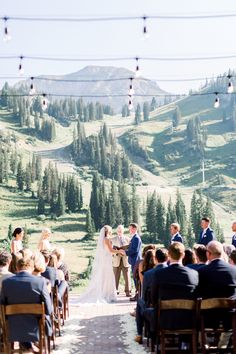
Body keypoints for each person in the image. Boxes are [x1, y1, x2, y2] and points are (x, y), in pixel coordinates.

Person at [1, 255, 52, 352]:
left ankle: (24, 346)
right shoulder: (40, 282)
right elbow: (49, 309)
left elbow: (1, 305)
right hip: (35, 328)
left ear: (16, 267)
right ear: (32, 268)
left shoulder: (6, 283)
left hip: (12, 327)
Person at [78, 225, 124, 303]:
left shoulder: (105, 239)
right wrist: (119, 251)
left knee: (106, 276)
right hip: (106, 259)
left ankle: (106, 293)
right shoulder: (106, 239)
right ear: (107, 231)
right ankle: (106, 294)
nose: (111, 231)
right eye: (110, 230)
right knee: (107, 276)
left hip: (106, 258)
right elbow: (110, 250)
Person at [135, 248, 168, 344]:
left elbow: (145, 295)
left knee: (140, 302)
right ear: (167, 259)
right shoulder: (174, 272)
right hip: (175, 310)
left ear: (156, 259)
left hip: (155, 309)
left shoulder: (148, 274)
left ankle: (139, 334)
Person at [111, 225, 131, 297]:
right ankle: (115, 291)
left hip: (125, 260)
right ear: (116, 231)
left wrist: (124, 251)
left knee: (127, 277)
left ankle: (128, 291)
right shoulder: (112, 239)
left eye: (121, 230)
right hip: (116, 260)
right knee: (115, 276)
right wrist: (116, 251)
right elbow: (110, 251)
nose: (119, 232)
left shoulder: (128, 239)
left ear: (123, 231)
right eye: (118, 230)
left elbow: (130, 250)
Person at [125, 223, 142, 302]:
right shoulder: (134, 237)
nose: (129, 230)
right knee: (135, 277)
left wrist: (125, 252)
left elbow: (134, 250)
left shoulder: (136, 238)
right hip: (134, 260)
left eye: (131, 228)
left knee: (136, 278)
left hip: (136, 260)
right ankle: (138, 294)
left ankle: (138, 295)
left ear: (135, 229)